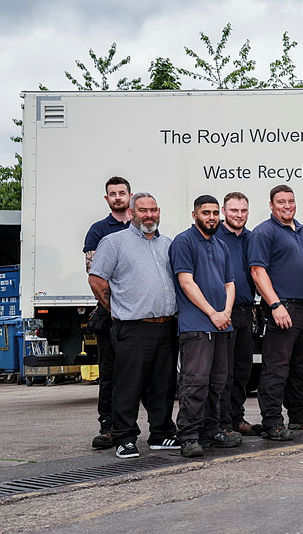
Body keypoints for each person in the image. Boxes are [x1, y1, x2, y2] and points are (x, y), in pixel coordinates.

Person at [88, 192, 180, 459]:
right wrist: (114, 308)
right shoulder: (114, 243)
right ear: (131, 213)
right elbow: (97, 280)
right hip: (132, 327)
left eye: (153, 210)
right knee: (128, 385)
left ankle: (161, 433)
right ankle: (124, 437)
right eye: (142, 210)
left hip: (165, 325)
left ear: (159, 212)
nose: (148, 215)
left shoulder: (168, 244)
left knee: (163, 384)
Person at [248, 185, 303, 441]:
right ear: (271, 206)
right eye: (281, 202)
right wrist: (275, 305)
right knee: (276, 369)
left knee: (300, 367)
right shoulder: (264, 232)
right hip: (282, 308)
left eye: (290, 201)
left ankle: (299, 415)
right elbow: (258, 272)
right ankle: (272, 421)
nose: (287, 206)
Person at [170, 195, 242, 458]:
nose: (211, 217)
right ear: (194, 215)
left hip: (222, 325)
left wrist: (226, 313)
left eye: (214, 213)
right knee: (195, 382)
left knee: (218, 382)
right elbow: (186, 282)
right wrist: (213, 313)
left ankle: (212, 430)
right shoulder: (184, 242)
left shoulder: (220, 245)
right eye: (206, 213)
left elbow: (229, 283)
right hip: (197, 325)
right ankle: (188, 435)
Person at [84, 176, 132, 450]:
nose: (117, 197)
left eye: (122, 193)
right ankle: (109, 427)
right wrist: (113, 309)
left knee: (143, 375)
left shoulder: (141, 227)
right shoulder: (98, 230)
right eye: (112, 193)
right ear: (107, 199)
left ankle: (155, 428)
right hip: (110, 315)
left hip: (138, 316)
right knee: (110, 373)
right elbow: (95, 275)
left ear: (129, 195)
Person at [217, 192, 261, 437]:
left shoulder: (251, 238)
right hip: (223, 313)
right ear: (224, 211)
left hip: (245, 311)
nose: (239, 215)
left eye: (243, 211)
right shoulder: (215, 237)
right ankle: (221, 422)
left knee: (243, 370)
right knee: (224, 372)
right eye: (234, 210)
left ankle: (236, 418)